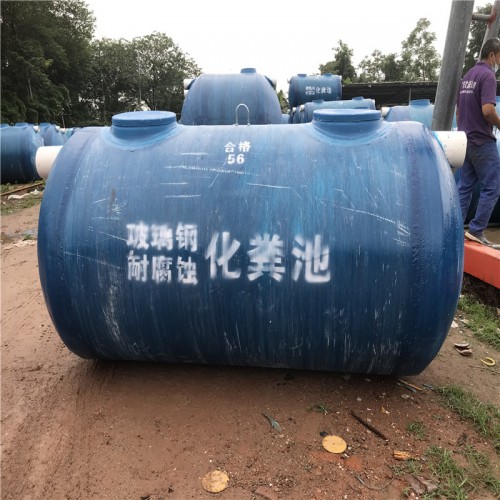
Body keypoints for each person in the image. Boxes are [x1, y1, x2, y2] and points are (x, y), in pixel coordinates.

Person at [456, 37, 500, 247]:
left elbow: (459, 111)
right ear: (492, 55)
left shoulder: (468, 76)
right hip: (482, 141)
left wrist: (464, 132)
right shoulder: (488, 75)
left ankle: (454, 229)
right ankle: (476, 229)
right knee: (493, 185)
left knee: (465, 187)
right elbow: (488, 110)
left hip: (465, 140)